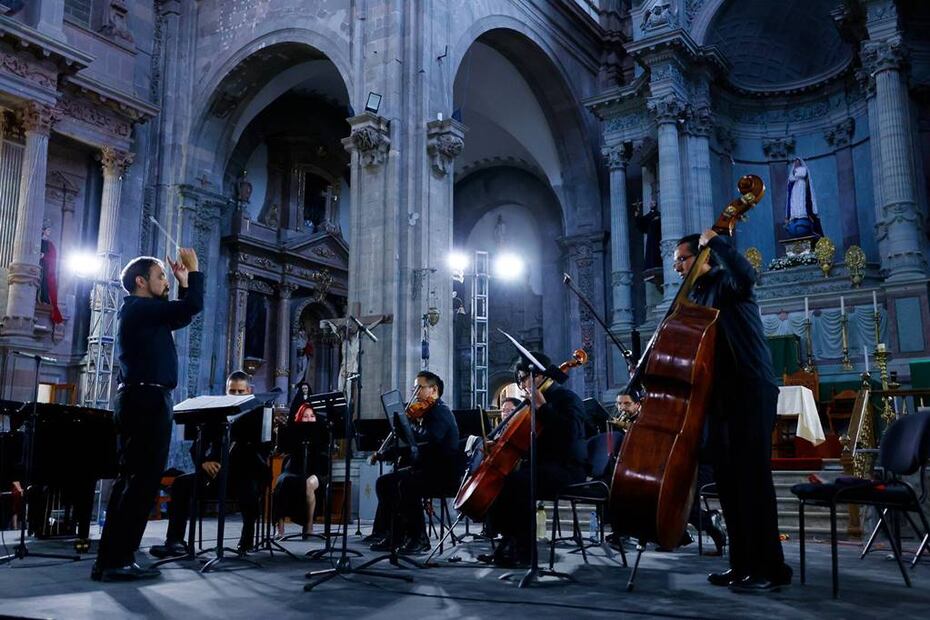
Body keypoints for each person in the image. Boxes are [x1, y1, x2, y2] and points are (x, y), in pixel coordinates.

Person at [673, 232, 790, 592]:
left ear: (703, 257)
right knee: (728, 484)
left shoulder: (725, 282)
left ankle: (770, 568)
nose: (677, 266)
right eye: (676, 261)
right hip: (720, 396)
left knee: (753, 481)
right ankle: (741, 565)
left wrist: (719, 242)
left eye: (683, 259)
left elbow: (747, 276)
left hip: (750, 386)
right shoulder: (696, 296)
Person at [92, 250, 203, 582]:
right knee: (140, 484)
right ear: (141, 282)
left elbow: (180, 315)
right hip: (147, 401)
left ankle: (113, 559)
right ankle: (117, 561)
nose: (165, 280)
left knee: (134, 483)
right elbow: (189, 308)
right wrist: (194, 274)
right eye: (160, 276)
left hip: (144, 398)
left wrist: (182, 284)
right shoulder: (141, 308)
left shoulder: (144, 311)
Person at [480, 352, 586, 567]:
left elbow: (571, 434)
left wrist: (543, 408)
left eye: (523, 379)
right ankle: (507, 543)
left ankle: (525, 554)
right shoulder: (532, 403)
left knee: (518, 483)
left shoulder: (567, 398)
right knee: (502, 481)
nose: (521, 385)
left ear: (538, 376)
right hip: (542, 466)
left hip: (567, 468)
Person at [148, 371, 269, 559]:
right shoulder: (216, 414)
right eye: (232, 391)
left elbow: (264, 449)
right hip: (215, 475)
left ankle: (246, 541)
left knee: (249, 485)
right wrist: (204, 462)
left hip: (244, 473)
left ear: (249, 391)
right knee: (181, 484)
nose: (235, 396)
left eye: (240, 392)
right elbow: (196, 447)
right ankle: (175, 541)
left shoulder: (259, 414)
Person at [367, 371, 463, 554]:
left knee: (406, 485)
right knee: (385, 483)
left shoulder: (440, 412)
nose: (415, 391)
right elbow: (412, 447)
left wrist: (406, 425)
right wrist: (384, 454)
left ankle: (418, 538)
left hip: (442, 474)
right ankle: (396, 535)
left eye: (419, 387)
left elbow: (427, 440)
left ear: (433, 389)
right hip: (427, 470)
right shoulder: (426, 413)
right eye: (414, 387)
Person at [273, 387, 328, 538]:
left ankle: (309, 526)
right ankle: (280, 528)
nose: (309, 419)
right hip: (295, 466)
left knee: (309, 483)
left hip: (317, 467)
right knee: (283, 482)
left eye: (312, 416)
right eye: (305, 416)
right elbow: (281, 449)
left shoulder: (321, 428)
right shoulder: (293, 429)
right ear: (299, 417)